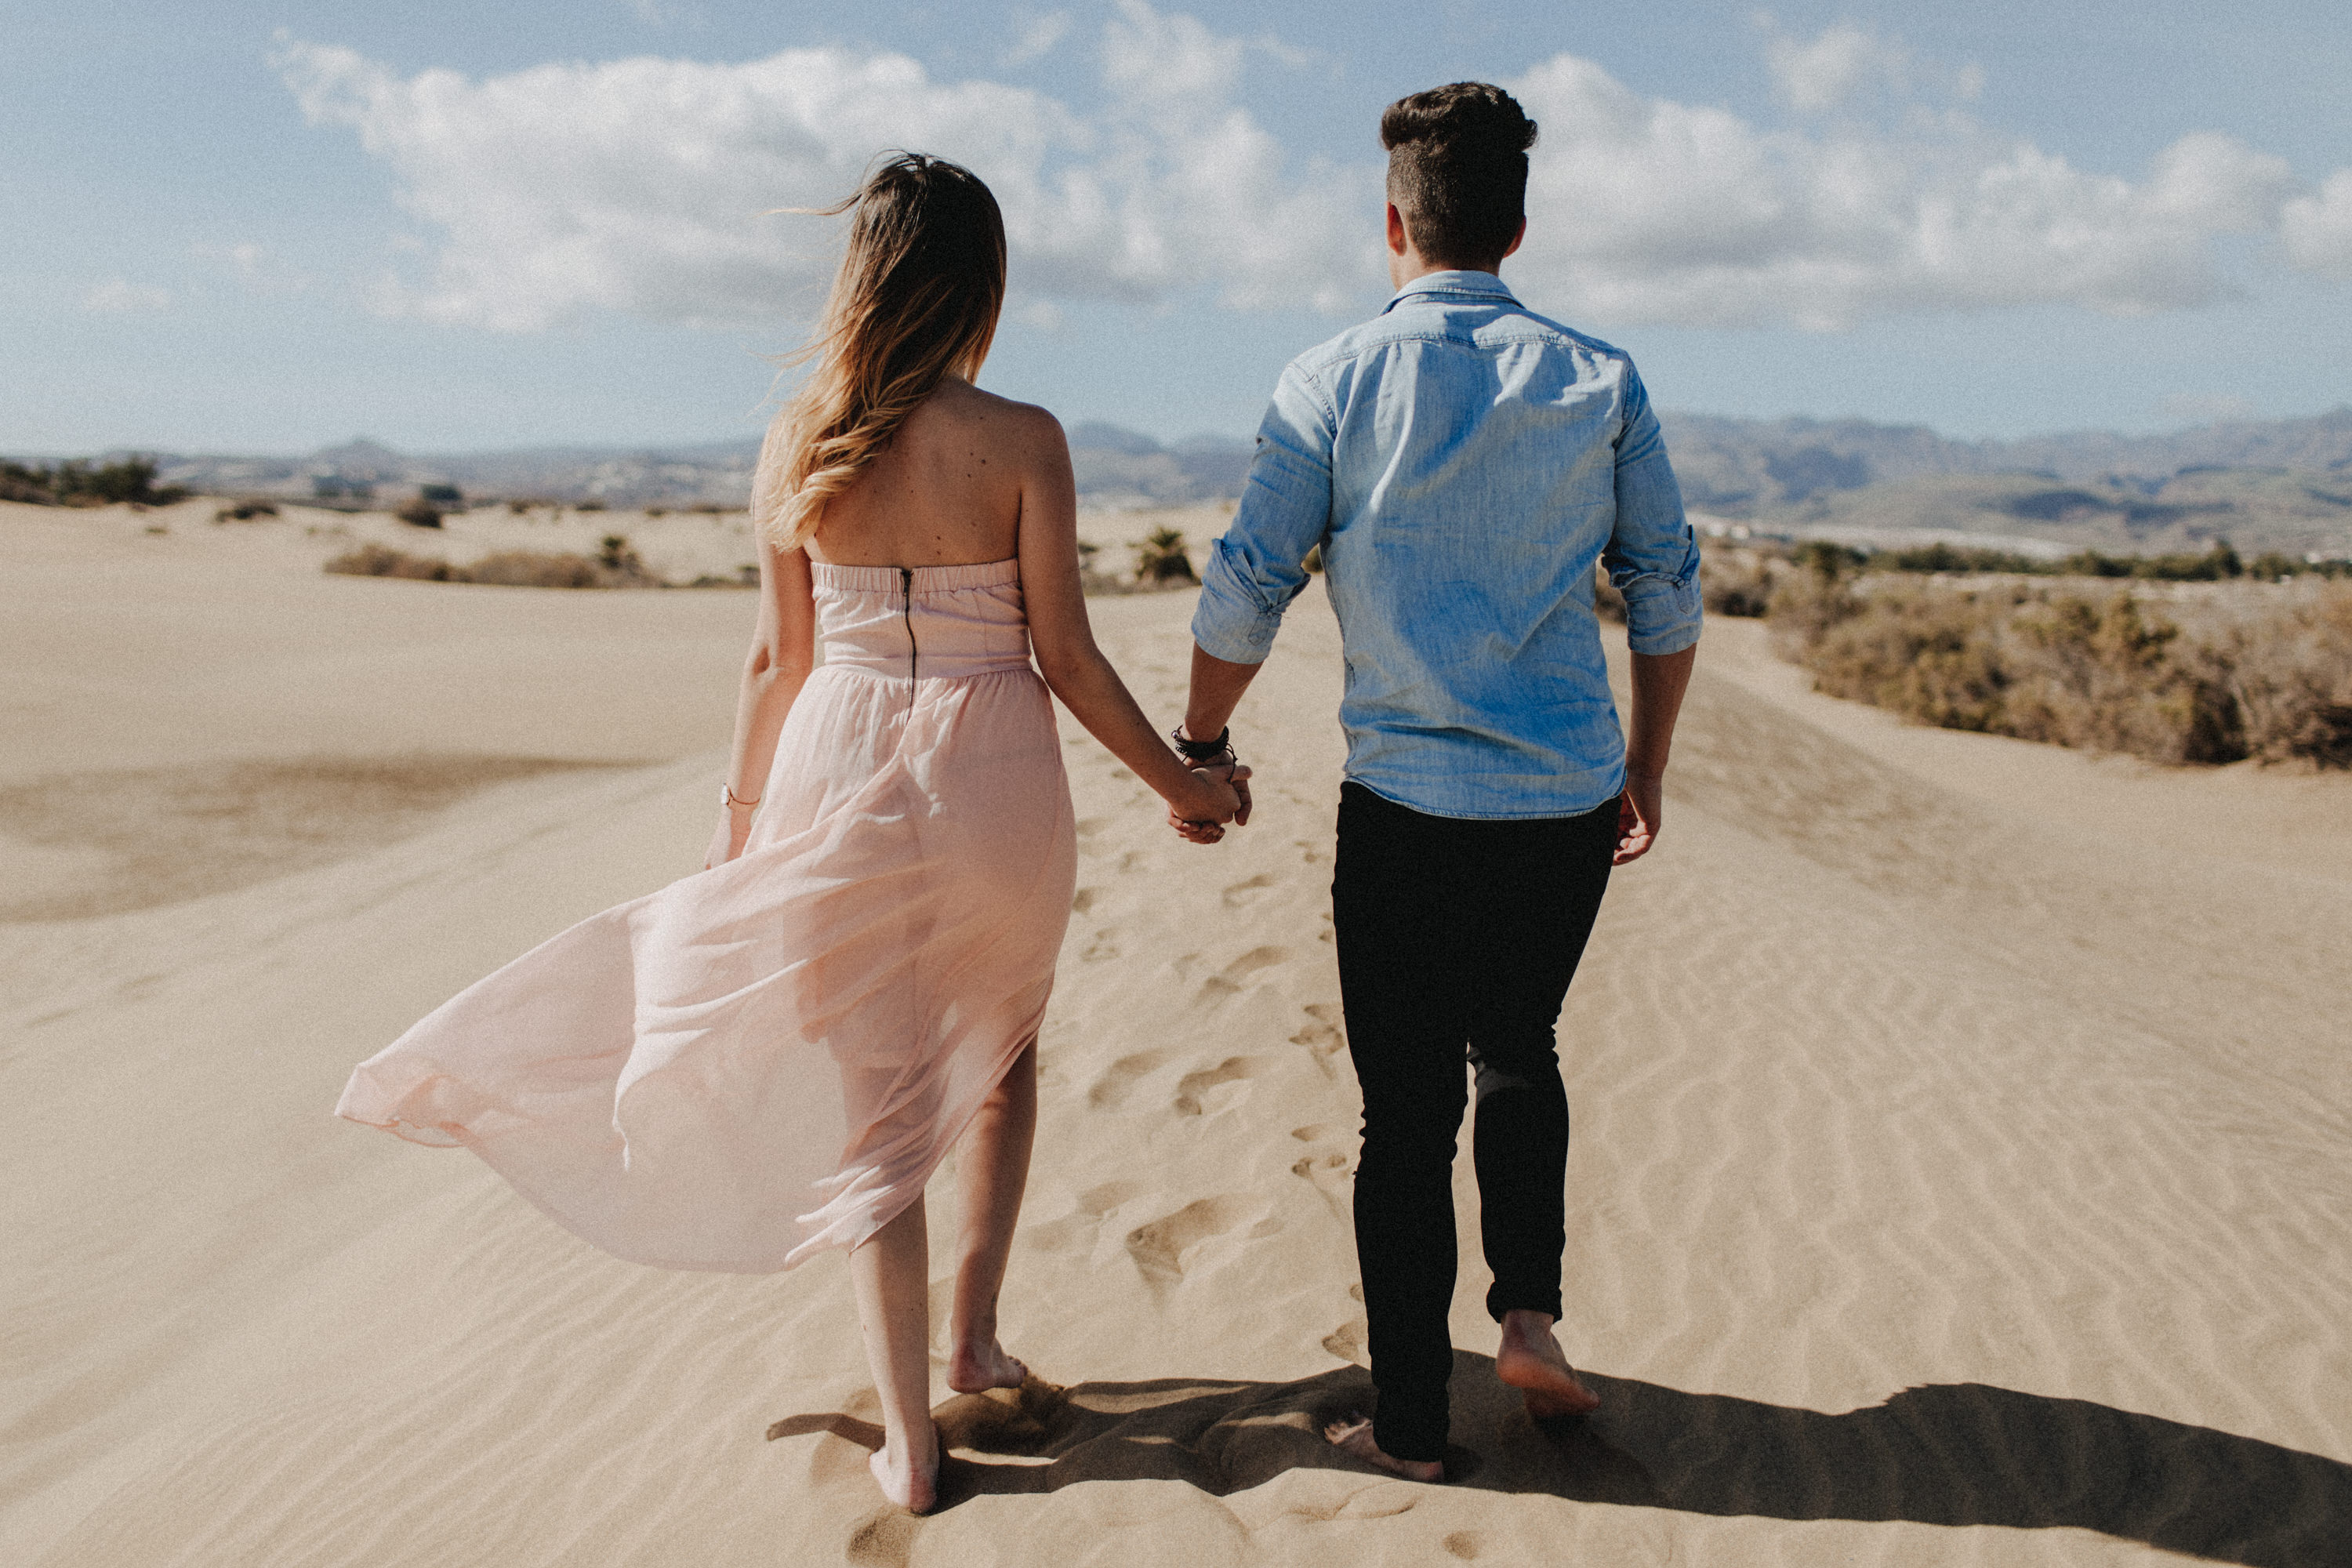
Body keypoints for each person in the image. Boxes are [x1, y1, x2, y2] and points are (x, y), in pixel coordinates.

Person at [336, 153, 1243, 1515]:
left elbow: (777, 661)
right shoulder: (1025, 438)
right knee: (1001, 1050)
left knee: (877, 1089)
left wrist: (739, 823)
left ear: (863, 276)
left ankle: (909, 1438)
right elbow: (1065, 652)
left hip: (839, 754)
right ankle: (976, 1335)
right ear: (978, 284)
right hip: (994, 770)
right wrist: (1181, 781)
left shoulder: (796, 442)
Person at [1173, 82, 1702, 1480]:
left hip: (1403, 808)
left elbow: (1247, 589)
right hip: (1563, 799)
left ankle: (1411, 1422)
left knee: (1403, 1119)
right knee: (1520, 1045)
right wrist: (1645, 763)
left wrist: (1204, 743)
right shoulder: (1602, 379)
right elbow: (1667, 591)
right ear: (1518, 226)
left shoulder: (1330, 380)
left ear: (1391, 220)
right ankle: (1529, 1316)